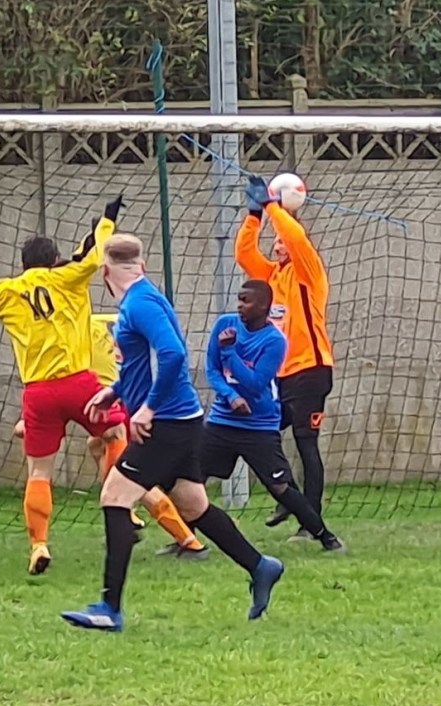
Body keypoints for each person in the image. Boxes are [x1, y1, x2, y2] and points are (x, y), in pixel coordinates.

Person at [61, 234, 284, 632]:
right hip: (181, 419)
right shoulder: (148, 296)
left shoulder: (139, 304)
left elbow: (174, 354)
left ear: (105, 272)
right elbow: (153, 357)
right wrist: (115, 390)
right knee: (194, 505)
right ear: (141, 266)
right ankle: (260, 565)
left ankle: (109, 608)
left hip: (165, 424)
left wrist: (146, 408)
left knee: (114, 497)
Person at [0, 196, 129, 576]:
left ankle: (39, 545)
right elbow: (95, 256)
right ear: (53, 262)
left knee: (38, 471)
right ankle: (122, 508)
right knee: (116, 432)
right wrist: (107, 220)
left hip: (37, 392)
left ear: (22, 265)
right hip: (79, 383)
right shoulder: (67, 277)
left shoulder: (8, 290)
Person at [11, 311, 208, 560]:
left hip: (115, 402)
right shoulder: (113, 319)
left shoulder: (61, 343)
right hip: (125, 400)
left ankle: (180, 537)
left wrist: (30, 422)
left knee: (131, 476)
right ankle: (137, 516)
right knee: (97, 446)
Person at [235, 175, 342, 548]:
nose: (279, 243)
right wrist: (253, 215)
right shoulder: (273, 275)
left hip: (312, 371)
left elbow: (296, 238)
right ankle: (290, 499)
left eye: (282, 239)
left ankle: (308, 522)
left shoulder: (308, 271)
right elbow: (244, 255)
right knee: (257, 432)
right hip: (282, 377)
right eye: (275, 241)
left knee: (305, 443)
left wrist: (273, 207)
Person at [202, 279, 344, 550]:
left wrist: (230, 352)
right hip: (222, 422)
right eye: (239, 299)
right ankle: (186, 541)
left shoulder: (275, 341)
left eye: (247, 301)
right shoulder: (225, 324)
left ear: (265, 306)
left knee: (280, 488)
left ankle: (325, 536)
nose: (240, 306)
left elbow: (255, 384)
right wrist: (230, 397)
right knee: (191, 482)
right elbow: (212, 369)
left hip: (259, 426)